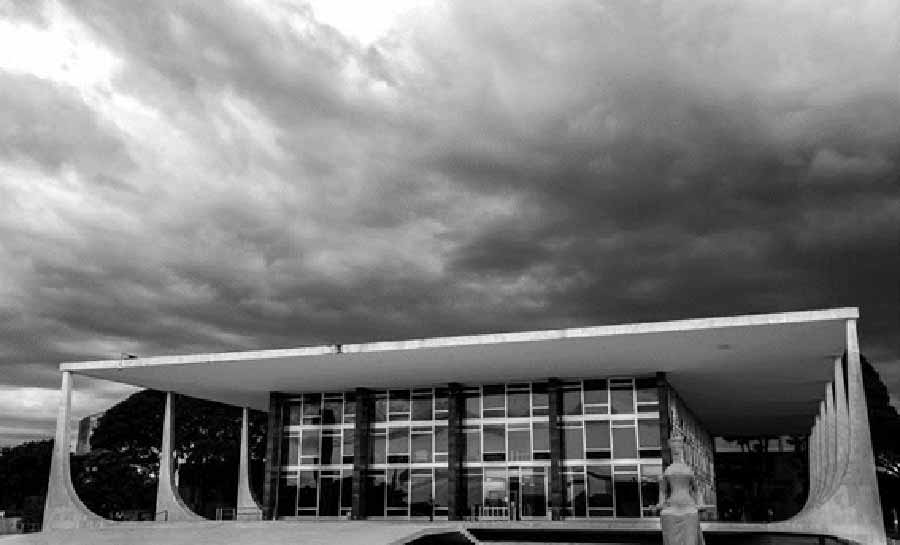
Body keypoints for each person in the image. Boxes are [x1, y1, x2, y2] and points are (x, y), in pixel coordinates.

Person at [657, 433, 705, 545]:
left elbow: (697, 489)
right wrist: (661, 503)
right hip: (672, 507)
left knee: (689, 539)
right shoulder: (668, 470)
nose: (676, 447)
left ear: (682, 446)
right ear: (670, 447)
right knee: (667, 518)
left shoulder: (688, 469)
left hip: (688, 506)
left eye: (678, 443)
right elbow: (662, 491)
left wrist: (700, 503)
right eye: (673, 443)